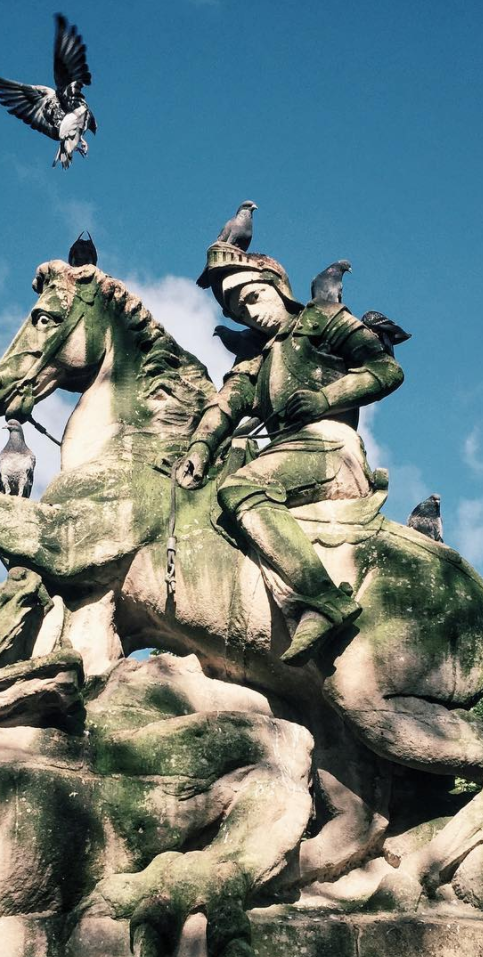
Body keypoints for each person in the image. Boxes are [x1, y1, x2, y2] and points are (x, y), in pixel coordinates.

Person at [178, 243, 404, 664]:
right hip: (285, 453)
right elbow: (226, 404)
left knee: (241, 488)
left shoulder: (322, 319)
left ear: (278, 287)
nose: (251, 314)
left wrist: (325, 399)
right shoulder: (255, 359)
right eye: (240, 312)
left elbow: (386, 370)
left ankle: (321, 601)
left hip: (329, 446)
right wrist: (200, 446)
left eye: (253, 298)